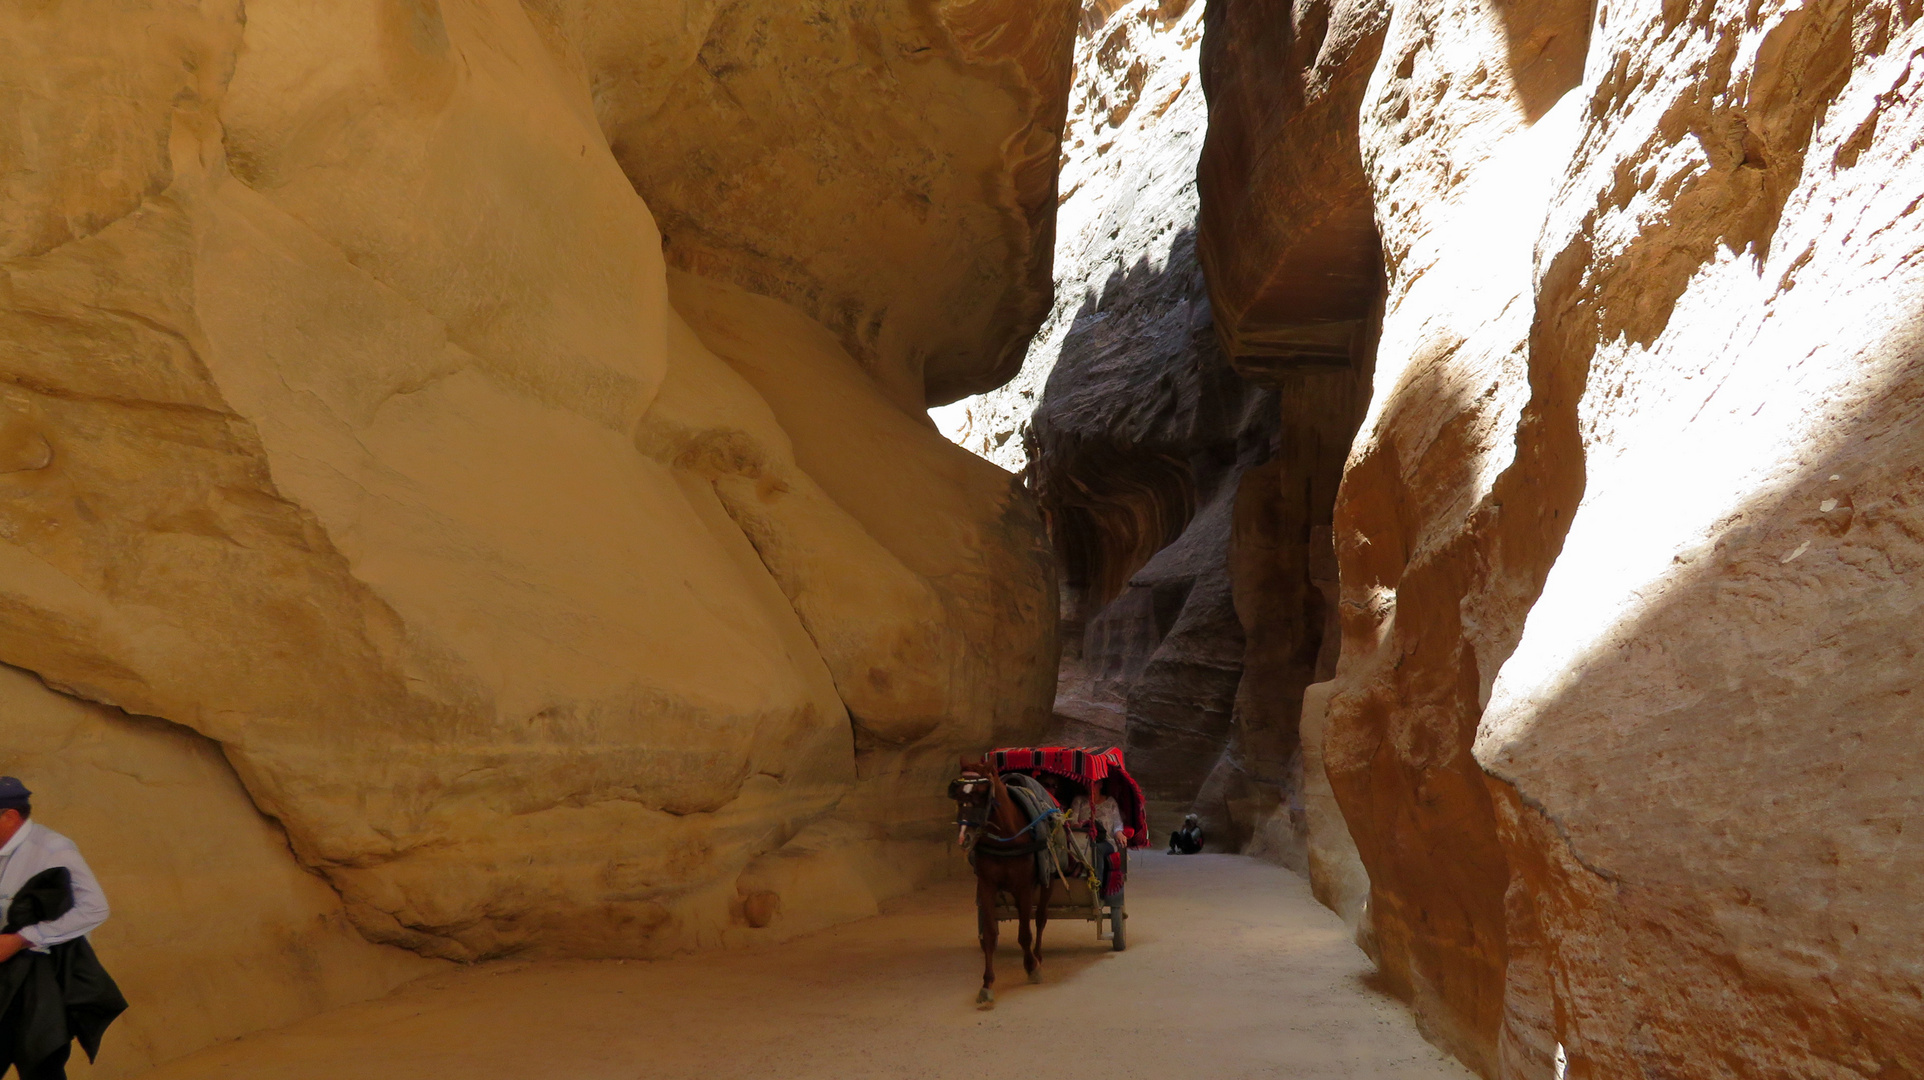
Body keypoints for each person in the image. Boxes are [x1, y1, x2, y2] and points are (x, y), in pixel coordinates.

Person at [0, 777, 123, 1080]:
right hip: (4, 973)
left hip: (43, 974)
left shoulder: (53, 849)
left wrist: (23, 939)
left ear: (10, 816)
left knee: (42, 1060)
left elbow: (94, 907)